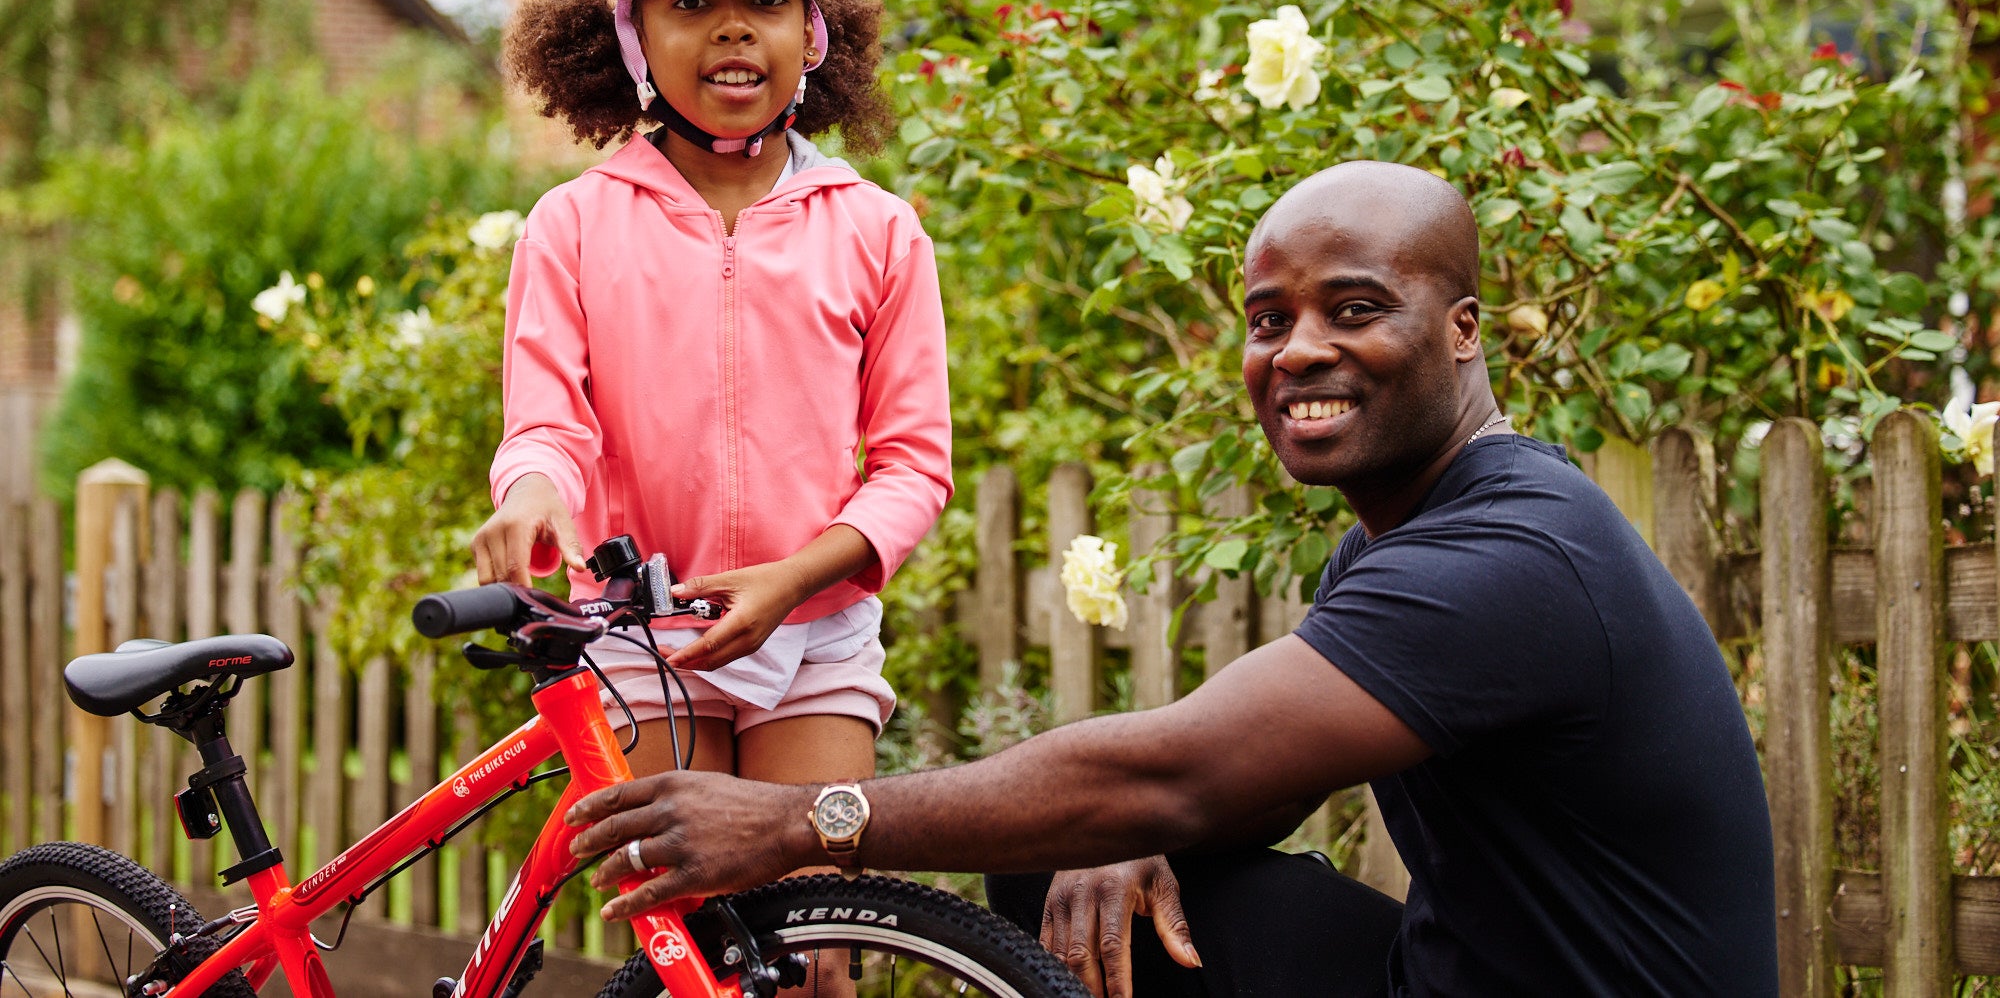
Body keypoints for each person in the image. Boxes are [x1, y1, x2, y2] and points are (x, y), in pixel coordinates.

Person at [562, 161, 1780, 998]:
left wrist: (796, 821)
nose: (1296, 348)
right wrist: (1133, 831)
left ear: (1462, 329)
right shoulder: (1400, 540)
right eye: (1266, 318)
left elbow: (1181, 766)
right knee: (1064, 864)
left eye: (1353, 307)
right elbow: (1237, 791)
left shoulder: (1512, 558)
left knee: (1105, 816)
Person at [471, 0, 952, 863]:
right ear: (629, 32)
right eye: (688, 2)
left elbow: (912, 464)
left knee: (819, 949)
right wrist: (531, 495)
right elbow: (546, 422)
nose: (733, 24)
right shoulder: (570, 225)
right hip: (635, 634)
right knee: (685, 940)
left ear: (814, 29)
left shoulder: (877, 229)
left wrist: (792, 576)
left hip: (811, 628)